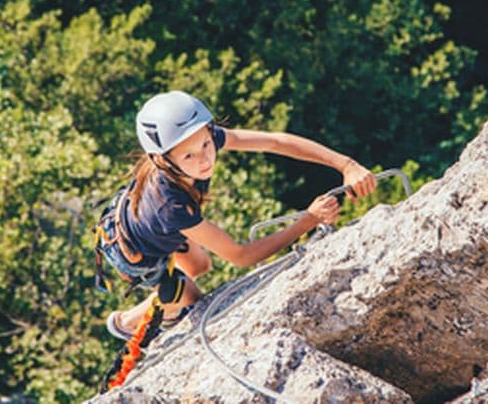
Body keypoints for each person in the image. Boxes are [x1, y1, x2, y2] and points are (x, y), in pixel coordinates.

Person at [98, 90, 377, 341]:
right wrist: (308, 220)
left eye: (207, 145)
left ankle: (169, 295)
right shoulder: (169, 206)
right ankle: (128, 322)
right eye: (189, 157)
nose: (205, 160)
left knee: (200, 266)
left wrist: (345, 164)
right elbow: (240, 256)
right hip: (134, 252)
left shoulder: (192, 142)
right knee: (191, 299)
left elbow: (276, 142)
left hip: (139, 222)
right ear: (161, 160)